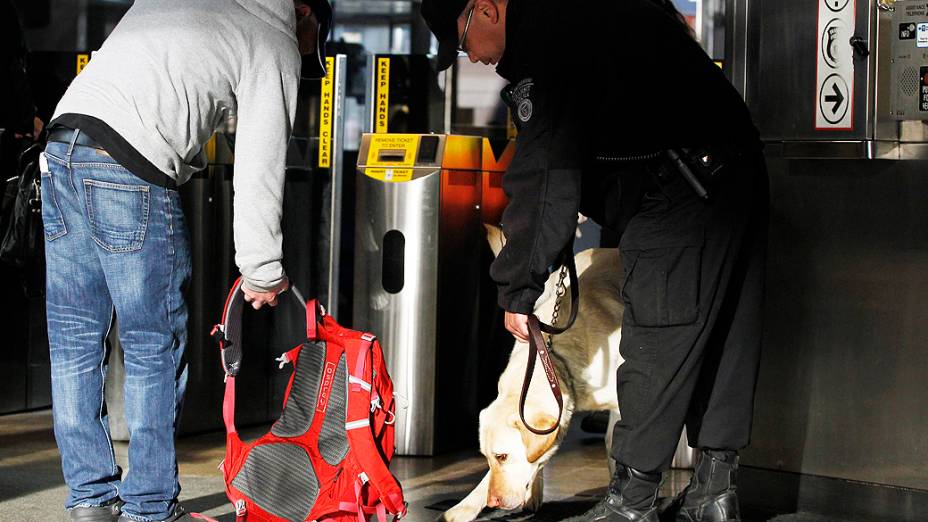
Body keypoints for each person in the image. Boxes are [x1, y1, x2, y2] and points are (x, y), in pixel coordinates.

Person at [420, 1, 768, 521]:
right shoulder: (585, 18)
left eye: (463, 41)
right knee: (719, 337)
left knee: (655, 337)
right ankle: (714, 495)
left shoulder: (546, 37)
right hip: (732, 176)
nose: (472, 58)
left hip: (679, 190)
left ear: (485, 9)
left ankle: (630, 503)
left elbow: (543, 180)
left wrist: (518, 289)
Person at [41, 1, 331, 521]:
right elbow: (259, 167)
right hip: (131, 165)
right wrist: (263, 268)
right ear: (304, 12)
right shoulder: (272, 36)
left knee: (74, 340)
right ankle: (149, 507)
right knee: (153, 344)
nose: (304, 56)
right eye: (311, 43)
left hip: (63, 146)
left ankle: (89, 498)